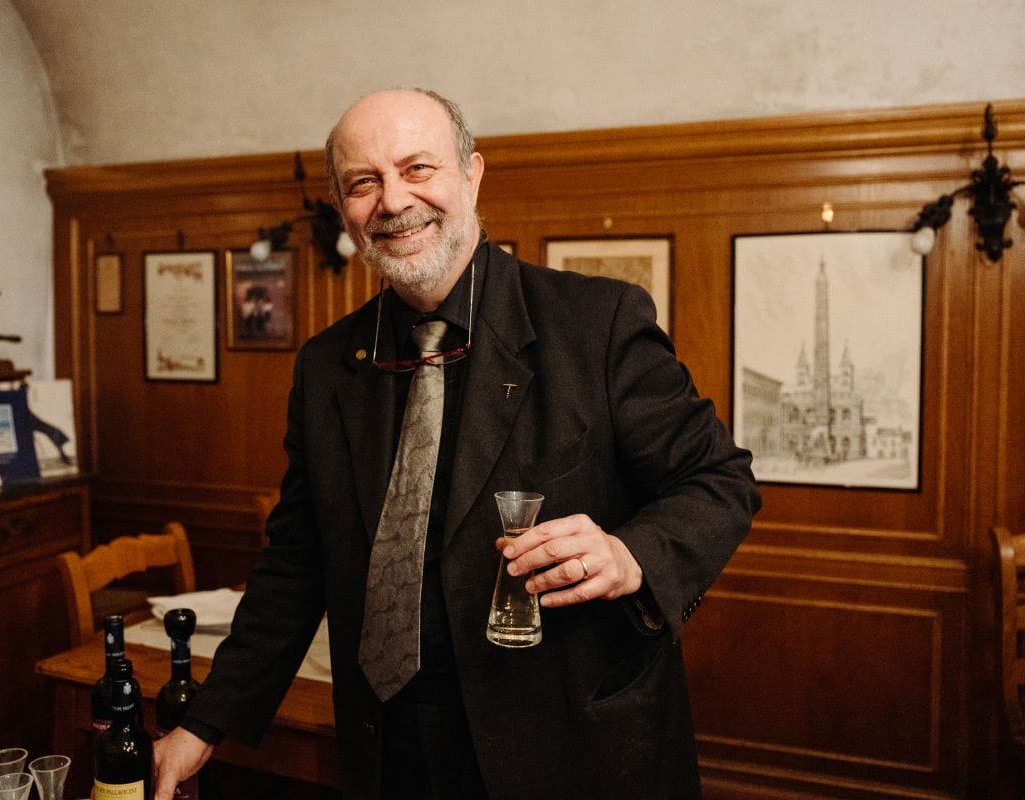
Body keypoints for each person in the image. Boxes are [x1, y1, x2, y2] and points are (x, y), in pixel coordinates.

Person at [154, 88, 761, 799]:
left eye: (417, 168)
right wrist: (203, 724)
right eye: (363, 183)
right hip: (391, 750)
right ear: (343, 208)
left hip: (571, 746)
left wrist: (629, 557)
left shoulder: (595, 322)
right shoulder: (327, 367)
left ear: (472, 175)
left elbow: (719, 480)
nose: (392, 200)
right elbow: (298, 562)